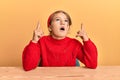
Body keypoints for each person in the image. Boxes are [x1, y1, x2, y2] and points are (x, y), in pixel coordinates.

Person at [22, 10, 98, 71]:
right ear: (50, 27)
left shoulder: (75, 44)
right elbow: (28, 66)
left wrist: (86, 40)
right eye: (58, 20)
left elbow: (92, 64)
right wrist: (34, 41)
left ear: (68, 27)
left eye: (66, 21)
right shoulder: (41, 42)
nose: (62, 23)